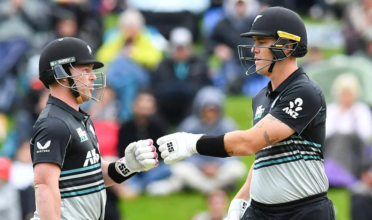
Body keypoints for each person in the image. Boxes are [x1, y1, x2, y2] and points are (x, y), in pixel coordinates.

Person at [157, 7, 335, 220]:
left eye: (261, 42)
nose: (253, 49)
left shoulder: (304, 91)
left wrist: (191, 143)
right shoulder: (261, 97)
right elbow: (263, 155)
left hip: (303, 212)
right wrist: (240, 200)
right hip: (263, 212)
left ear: (287, 47)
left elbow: (248, 143)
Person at [31, 37, 159, 220]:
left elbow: (94, 175)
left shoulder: (79, 118)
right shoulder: (54, 124)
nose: (92, 76)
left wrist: (128, 165)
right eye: (85, 70)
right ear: (61, 75)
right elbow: (44, 186)